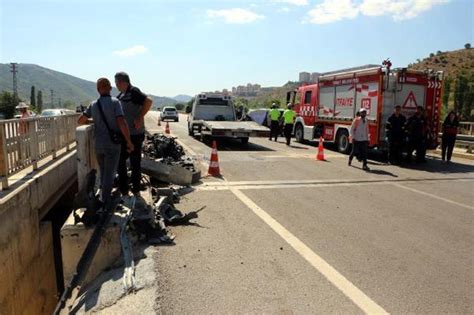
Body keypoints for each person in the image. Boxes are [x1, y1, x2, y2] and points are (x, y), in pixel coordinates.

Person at [78, 78, 134, 210]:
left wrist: (95, 122)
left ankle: (103, 197)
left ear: (98, 90)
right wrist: (129, 141)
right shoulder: (115, 102)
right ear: (110, 88)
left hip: (99, 145)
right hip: (112, 145)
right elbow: (121, 122)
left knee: (103, 172)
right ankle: (105, 203)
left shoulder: (93, 104)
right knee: (110, 173)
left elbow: (80, 120)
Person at [115, 72, 153, 196]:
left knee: (135, 161)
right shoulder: (121, 95)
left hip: (135, 134)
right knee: (121, 161)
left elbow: (148, 101)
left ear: (122, 82)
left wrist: (139, 117)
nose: (116, 85)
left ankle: (135, 188)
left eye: (117, 82)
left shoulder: (133, 92)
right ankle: (124, 188)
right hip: (124, 135)